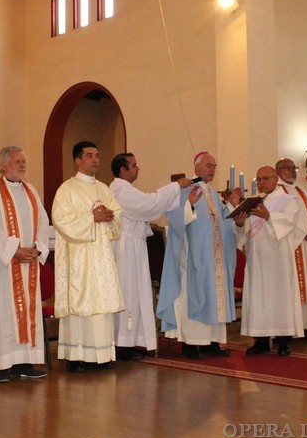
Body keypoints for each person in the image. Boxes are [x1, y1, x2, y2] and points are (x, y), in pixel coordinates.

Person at [157, 152, 240, 359]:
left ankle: (212, 341)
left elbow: (223, 223)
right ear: (196, 168)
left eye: (214, 166)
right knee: (194, 295)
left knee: (215, 296)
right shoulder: (186, 189)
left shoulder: (213, 193)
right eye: (208, 165)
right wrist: (190, 204)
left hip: (215, 258)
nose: (212, 169)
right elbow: (174, 218)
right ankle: (191, 343)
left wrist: (231, 205)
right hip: (194, 257)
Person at [109, 153, 191, 360]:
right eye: (134, 165)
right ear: (123, 170)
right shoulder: (120, 190)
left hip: (134, 245)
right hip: (125, 248)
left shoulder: (126, 189)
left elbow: (151, 206)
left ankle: (131, 341)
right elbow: (150, 204)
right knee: (129, 294)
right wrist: (175, 186)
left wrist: (178, 195)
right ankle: (122, 344)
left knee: (137, 295)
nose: (138, 168)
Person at [0, 146, 50, 382]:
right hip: (3, 267)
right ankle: (1, 365)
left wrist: (37, 247)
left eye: (23, 161)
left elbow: (42, 222)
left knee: (26, 311)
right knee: (2, 312)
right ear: (3, 166)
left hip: (28, 263)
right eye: (17, 161)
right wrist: (14, 250)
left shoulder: (31, 191)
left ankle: (24, 363)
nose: (22, 165)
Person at [52, 141, 124, 372]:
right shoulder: (67, 189)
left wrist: (110, 216)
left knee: (101, 303)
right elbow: (61, 220)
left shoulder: (104, 189)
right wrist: (91, 218)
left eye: (97, 155)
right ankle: (76, 356)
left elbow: (117, 215)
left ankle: (102, 355)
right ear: (78, 160)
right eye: (90, 155)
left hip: (101, 257)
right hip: (80, 259)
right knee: (81, 302)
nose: (95, 159)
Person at [234, 166, 305, 356]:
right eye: (259, 179)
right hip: (257, 258)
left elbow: (290, 222)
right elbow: (246, 230)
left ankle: (283, 341)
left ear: (276, 178)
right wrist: (240, 223)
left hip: (278, 259)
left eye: (265, 178)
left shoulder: (288, 200)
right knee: (259, 297)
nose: (261, 182)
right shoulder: (254, 201)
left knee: (280, 297)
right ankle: (261, 340)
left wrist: (269, 216)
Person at [275, 158, 307, 339]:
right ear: (279, 171)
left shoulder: (301, 190)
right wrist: (304, 231)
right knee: (290, 287)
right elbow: (284, 218)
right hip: (288, 245)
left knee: (304, 286)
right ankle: (290, 330)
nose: (293, 171)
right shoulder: (276, 191)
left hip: (304, 245)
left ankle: (304, 327)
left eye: (294, 168)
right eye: (289, 168)